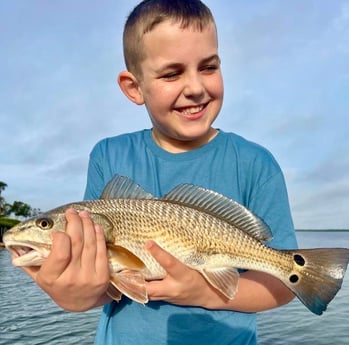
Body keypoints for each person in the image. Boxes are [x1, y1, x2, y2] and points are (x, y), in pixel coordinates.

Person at [23, 0, 298, 344]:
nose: (196, 87)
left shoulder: (257, 163)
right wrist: (70, 294)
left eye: (209, 67)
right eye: (172, 73)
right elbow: (101, 290)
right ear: (133, 87)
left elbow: (288, 280)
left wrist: (202, 292)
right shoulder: (108, 155)